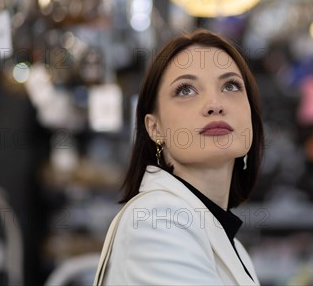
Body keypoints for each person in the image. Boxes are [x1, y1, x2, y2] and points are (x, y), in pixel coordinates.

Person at [98, 29, 264, 285]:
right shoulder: (155, 220)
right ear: (155, 128)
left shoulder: (234, 248)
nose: (215, 104)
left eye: (230, 85)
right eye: (186, 90)